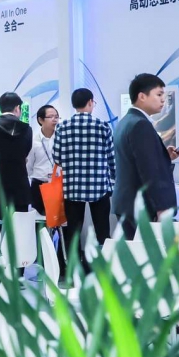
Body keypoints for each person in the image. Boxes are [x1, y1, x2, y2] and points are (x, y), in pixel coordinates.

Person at [112, 74, 179, 239]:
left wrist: (164, 156)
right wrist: (161, 207)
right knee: (147, 252)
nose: (163, 100)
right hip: (142, 205)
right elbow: (149, 170)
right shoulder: (140, 124)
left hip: (127, 202)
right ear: (142, 96)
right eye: (159, 94)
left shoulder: (126, 122)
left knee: (135, 251)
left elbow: (137, 161)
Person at [52, 89, 116, 273]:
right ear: (90, 102)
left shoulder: (63, 127)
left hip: (72, 187)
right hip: (99, 187)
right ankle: (103, 268)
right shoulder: (103, 126)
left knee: (74, 231)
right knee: (102, 230)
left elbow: (57, 157)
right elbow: (111, 158)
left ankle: (72, 270)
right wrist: (113, 179)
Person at [0, 92, 33, 217]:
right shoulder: (27, 129)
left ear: (0, 108)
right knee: (19, 223)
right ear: (17, 108)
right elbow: (25, 152)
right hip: (19, 182)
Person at [27, 105, 60, 215]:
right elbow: (29, 166)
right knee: (39, 219)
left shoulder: (61, 139)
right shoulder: (33, 141)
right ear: (40, 120)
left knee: (59, 218)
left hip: (58, 184)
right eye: (51, 117)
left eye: (56, 116)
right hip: (39, 185)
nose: (54, 119)